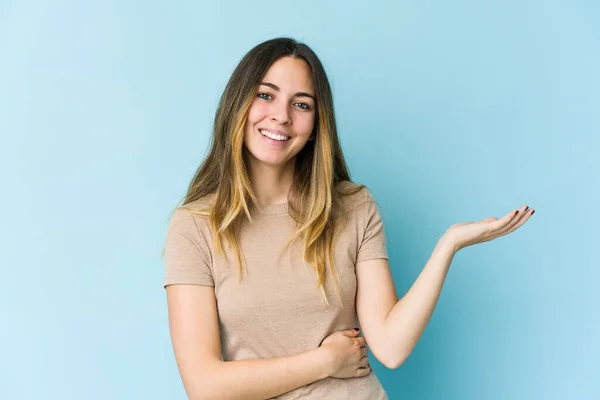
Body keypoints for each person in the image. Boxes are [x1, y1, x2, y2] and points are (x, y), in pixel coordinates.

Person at [162, 37, 534, 400]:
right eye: (265, 95)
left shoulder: (353, 206)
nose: (281, 115)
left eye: (302, 104)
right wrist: (324, 362)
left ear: (316, 124)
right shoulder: (195, 226)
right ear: (237, 104)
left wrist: (448, 245)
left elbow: (390, 346)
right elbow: (204, 386)